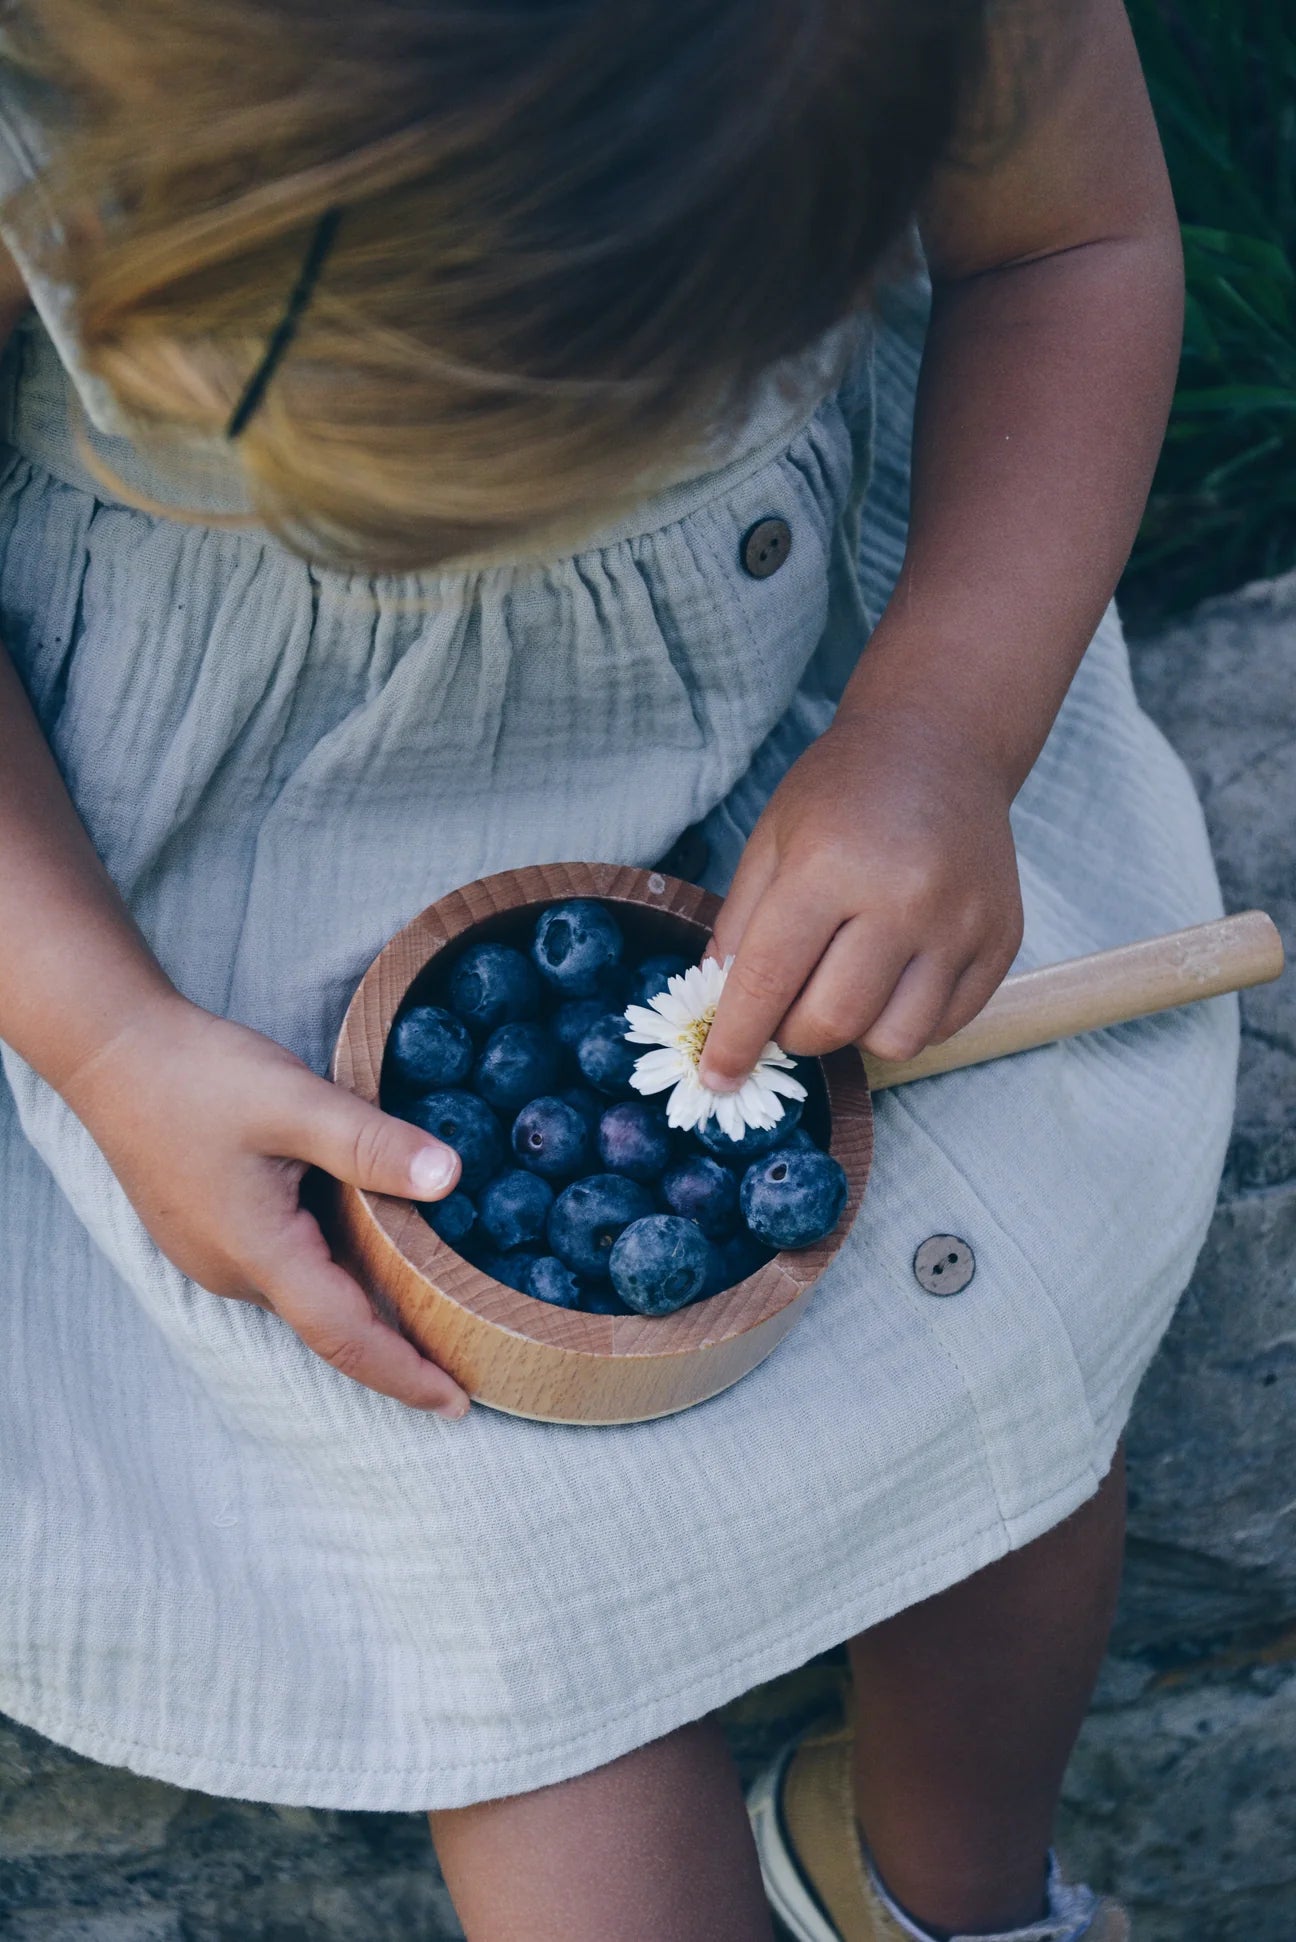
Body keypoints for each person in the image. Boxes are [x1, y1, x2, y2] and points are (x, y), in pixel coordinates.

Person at [0, 2, 1237, 1937]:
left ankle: (934, 1889)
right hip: (233, 861)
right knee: (531, 1650)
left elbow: (1067, 241)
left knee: (1011, 1415)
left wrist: (943, 731)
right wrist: (106, 1034)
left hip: (796, 722)